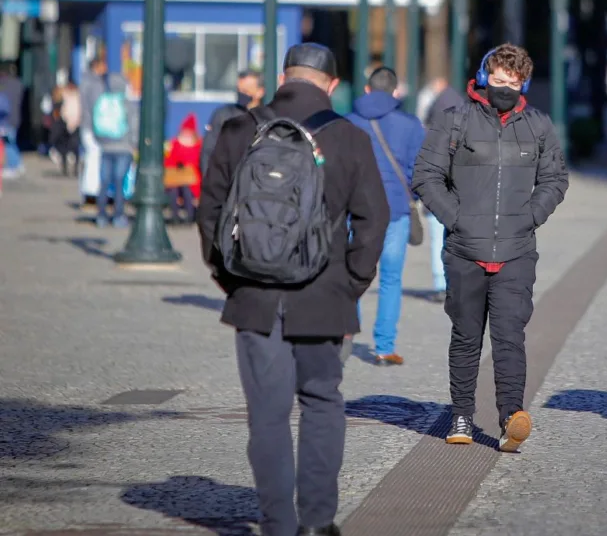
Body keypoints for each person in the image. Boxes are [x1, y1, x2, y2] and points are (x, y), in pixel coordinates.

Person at [197, 43, 389, 536]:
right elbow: (373, 219)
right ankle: (318, 522)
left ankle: (277, 524)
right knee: (323, 402)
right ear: (329, 84)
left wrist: (231, 278)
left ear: (283, 77)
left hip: (254, 298)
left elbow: (211, 212)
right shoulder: (348, 138)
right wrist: (351, 285)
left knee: (267, 415)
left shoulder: (241, 129)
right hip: (324, 298)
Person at [413, 43, 569, 452]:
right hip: (465, 250)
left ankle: (510, 418)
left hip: (517, 250)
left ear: (524, 84)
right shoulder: (455, 120)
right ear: (483, 79)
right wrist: (457, 218)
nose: (504, 88)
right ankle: (462, 414)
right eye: (498, 80)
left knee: (509, 337)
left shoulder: (537, 125)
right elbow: (426, 176)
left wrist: (532, 215)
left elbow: (555, 178)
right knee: (466, 337)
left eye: (512, 83)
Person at [345, 66, 426, 365]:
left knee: (352, 272)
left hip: (355, 209)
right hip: (395, 209)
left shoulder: (348, 122)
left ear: (367, 89)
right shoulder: (410, 125)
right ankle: (384, 346)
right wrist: (412, 198)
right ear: (395, 93)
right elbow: (419, 171)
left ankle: (345, 335)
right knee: (391, 278)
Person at [421, 76, 468, 303]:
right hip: (457, 196)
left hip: (437, 194)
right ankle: (454, 282)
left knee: (436, 236)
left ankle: (441, 283)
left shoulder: (432, 139)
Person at [81, 57, 138, 228]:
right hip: (123, 147)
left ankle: (101, 216)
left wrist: (98, 139)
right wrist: (133, 143)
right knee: (120, 183)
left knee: (104, 182)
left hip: (105, 145)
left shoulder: (103, 99)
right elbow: (134, 123)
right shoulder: (127, 103)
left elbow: (92, 117)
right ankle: (118, 215)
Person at [200, 70, 264, 177]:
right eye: (239, 90)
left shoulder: (266, 118)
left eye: (245, 91)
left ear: (260, 92)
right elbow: (208, 152)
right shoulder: (224, 115)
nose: (241, 94)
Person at [164, 113, 203, 225]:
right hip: (176, 176)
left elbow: (199, 162)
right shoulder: (175, 144)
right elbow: (168, 160)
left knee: (187, 190)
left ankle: (189, 216)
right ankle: (175, 216)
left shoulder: (199, 144)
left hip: (192, 178)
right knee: (173, 190)